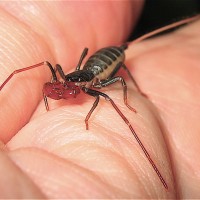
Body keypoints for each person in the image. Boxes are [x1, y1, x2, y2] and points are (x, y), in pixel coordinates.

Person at [0, 1, 199, 198]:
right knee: (45, 64)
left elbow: (98, 99)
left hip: (106, 64)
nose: (67, 85)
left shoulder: (95, 88)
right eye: (66, 83)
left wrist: (91, 117)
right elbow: (42, 77)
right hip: (90, 66)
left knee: (120, 78)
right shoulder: (66, 78)